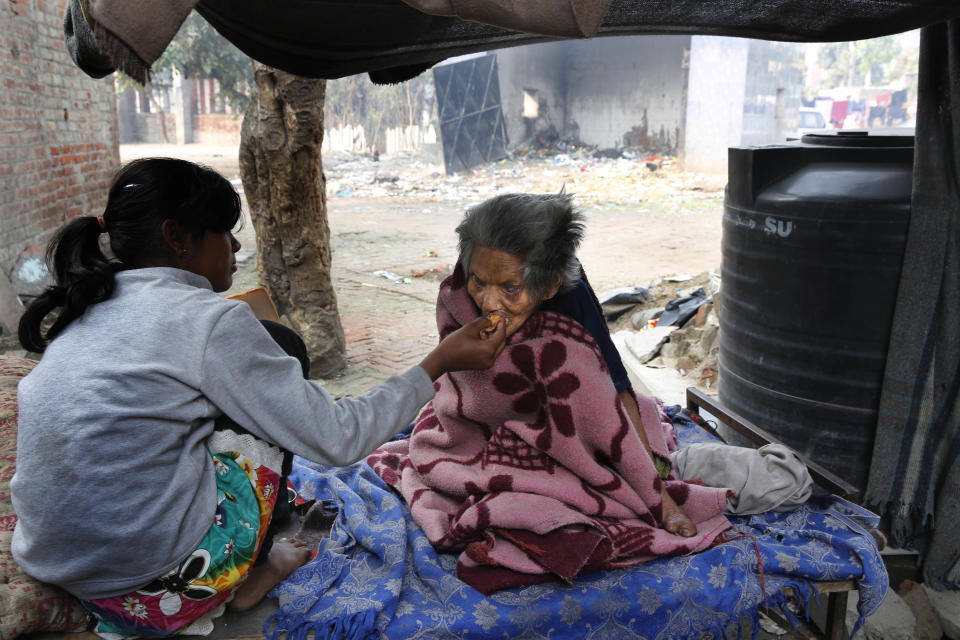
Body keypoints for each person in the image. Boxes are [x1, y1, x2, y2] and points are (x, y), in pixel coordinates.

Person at [11, 157, 506, 637]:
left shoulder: (90, 305)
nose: (233, 245)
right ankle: (248, 574)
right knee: (280, 354)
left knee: (267, 352)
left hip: (63, 568)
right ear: (177, 239)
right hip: (162, 588)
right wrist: (438, 361)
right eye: (225, 232)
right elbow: (337, 439)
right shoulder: (211, 322)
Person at [367, 193, 731, 594]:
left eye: (510, 288)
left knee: (605, 472)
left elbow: (614, 388)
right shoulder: (458, 290)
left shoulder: (572, 299)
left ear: (550, 282)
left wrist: (661, 499)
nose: (489, 302)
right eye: (479, 282)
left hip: (559, 431)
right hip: (476, 432)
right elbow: (460, 387)